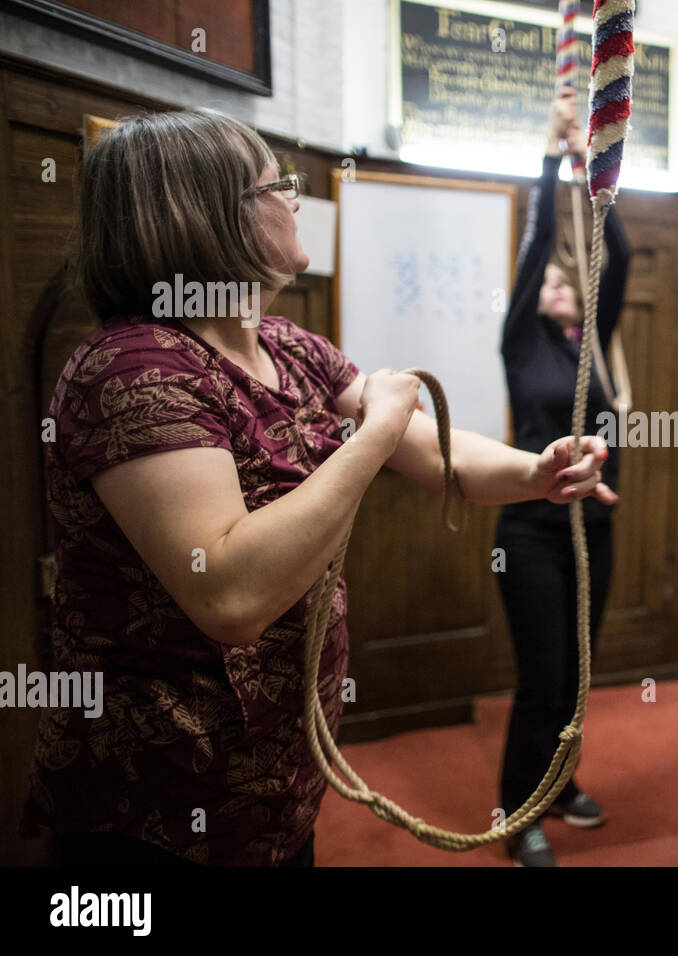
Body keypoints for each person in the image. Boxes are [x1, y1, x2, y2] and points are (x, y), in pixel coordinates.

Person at [20, 108, 616, 867]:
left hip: (272, 778)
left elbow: (429, 448)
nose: (296, 200)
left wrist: (537, 472)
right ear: (208, 217)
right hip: (160, 800)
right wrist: (367, 439)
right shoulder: (134, 370)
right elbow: (229, 593)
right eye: (279, 186)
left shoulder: (285, 344)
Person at [495, 87, 630, 867]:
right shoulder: (520, 342)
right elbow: (541, 235)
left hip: (595, 525)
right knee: (542, 675)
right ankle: (519, 811)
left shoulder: (593, 348)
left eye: (563, 278)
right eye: (542, 277)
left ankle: (561, 781)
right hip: (530, 534)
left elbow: (624, 256)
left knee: (580, 672)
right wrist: (552, 161)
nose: (552, 283)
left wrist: (598, 170)